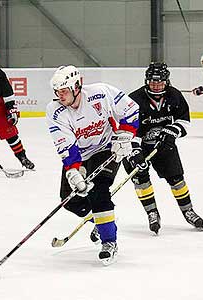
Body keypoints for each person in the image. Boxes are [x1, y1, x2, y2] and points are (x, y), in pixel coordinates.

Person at [46, 65, 139, 265]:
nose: (60, 96)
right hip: (80, 154)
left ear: (77, 86)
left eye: (64, 91)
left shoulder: (101, 93)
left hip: (106, 147)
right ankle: (102, 219)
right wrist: (73, 172)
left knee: (99, 192)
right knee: (69, 200)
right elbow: (66, 145)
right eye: (57, 92)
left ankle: (109, 241)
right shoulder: (55, 111)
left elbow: (130, 110)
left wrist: (125, 136)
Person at [123, 62, 203, 234]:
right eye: (153, 82)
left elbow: (184, 121)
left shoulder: (174, 96)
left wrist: (172, 131)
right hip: (137, 145)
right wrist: (135, 152)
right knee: (141, 179)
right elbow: (127, 131)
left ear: (166, 81)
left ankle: (188, 210)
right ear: (147, 81)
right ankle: (152, 213)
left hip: (164, 144)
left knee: (177, 178)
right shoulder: (134, 100)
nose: (156, 86)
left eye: (160, 82)